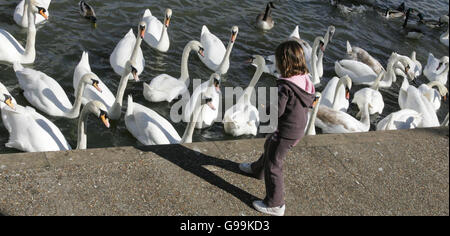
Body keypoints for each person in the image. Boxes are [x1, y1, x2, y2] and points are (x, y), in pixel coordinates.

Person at [239, 40, 316, 216]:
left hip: (286, 131)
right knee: (269, 147)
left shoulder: (285, 86)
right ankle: (257, 169)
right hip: (297, 127)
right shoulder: (304, 80)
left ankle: (275, 203)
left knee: (274, 165)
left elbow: (278, 111)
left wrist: (264, 108)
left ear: (282, 63)